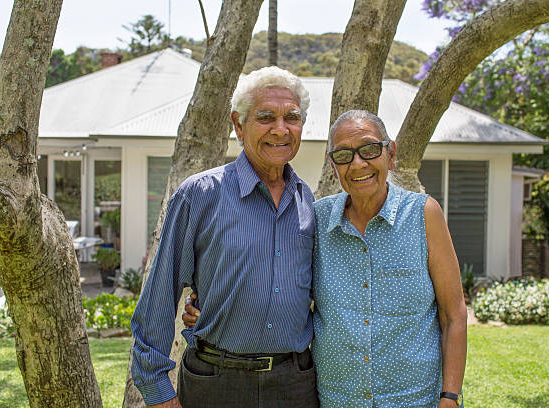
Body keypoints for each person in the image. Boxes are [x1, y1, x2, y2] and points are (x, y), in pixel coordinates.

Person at [185, 110, 467, 407]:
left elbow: (454, 315)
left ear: (390, 154)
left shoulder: (423, 214)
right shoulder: (315, 219)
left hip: (414, 399)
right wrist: (212, 307)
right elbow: (278, 281)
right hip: (336, 400)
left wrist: (449, 397)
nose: (358, 164)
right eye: (343, 155)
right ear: (333, 165)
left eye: (370, 149)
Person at [130, 66, 319, 408]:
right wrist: (157, 388)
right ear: (238, 124)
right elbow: (160, 291)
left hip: (295, 385)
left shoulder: (309, 201)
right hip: (215, 382)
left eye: (291, 117)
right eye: (266, 117)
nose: (281, 129)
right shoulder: (200, 194)